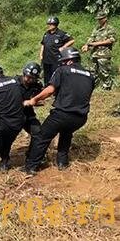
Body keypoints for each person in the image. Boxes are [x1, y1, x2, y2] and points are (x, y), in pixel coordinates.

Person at [22, 47, 95, 175]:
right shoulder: (90, 76)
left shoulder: (63, 70)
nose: (61, 63)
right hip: (80, 118)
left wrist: (33, 100)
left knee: (41, 137)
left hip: (62, 114)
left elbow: (50, 90)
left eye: (63, 61)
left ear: (68, 61)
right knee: (66, 133)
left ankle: (31, 166)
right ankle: (62, 162)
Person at [81, 11, 117, 90]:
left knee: (104, 72)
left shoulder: (110, 28)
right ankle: (93, 85)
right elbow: (91, 38)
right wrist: (87, 45)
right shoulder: (97, 28)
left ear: (105, 18)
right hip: (94, 53)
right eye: (98, 19)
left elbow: (112, 40)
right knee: (92, 70)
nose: (99, 20)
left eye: (101, 19)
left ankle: (107, 87)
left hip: (104, 54)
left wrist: (96, 44)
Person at [16, 62, 43, 157]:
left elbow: (41, 98)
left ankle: (32, 155)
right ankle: (4, 160)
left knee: (38, 133)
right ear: (24, 73)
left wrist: (36, 101)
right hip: (14, 116)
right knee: (5, 137)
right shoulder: (13, 83)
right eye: (28, 76)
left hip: (28, 115)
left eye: (33, 78)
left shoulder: (37, 85)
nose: (30, 79)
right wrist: (22, 103)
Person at [40, 17, 74, 86]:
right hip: (46, 59)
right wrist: (41, 54)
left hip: (55, 59)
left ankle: (55, 89)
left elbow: (72, 40)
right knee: (46, 75)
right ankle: (46, 87)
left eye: (50, 24)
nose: (48, 26)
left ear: (55, 25)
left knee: (55, 74)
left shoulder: (61, 33)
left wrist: (64, 47)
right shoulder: (46, 33)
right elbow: (43, 44)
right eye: (48, 24)